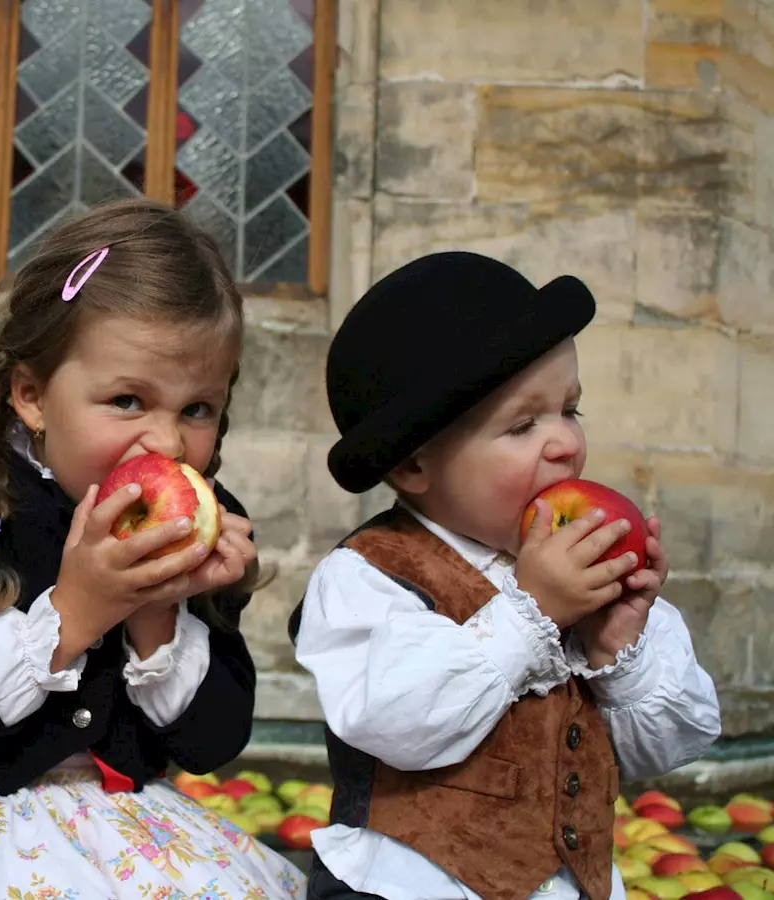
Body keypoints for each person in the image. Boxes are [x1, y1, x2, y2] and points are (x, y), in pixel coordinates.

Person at [0, 199, 305, 898]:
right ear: (32, 395)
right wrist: (77, 613)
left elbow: (213, 744)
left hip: (120, 822)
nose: (169, 444)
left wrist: (158, 612)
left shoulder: (207, 516)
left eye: (197, 409)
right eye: (128, 401)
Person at [291, 251, 723, 900]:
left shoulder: (583, 573)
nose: (565, 443)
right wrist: (531, 614)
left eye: (570, 410)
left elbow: (664, 749)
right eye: (523, 424)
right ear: (414, 466)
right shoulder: (370, 576)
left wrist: (617, 648)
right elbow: (398, 723)